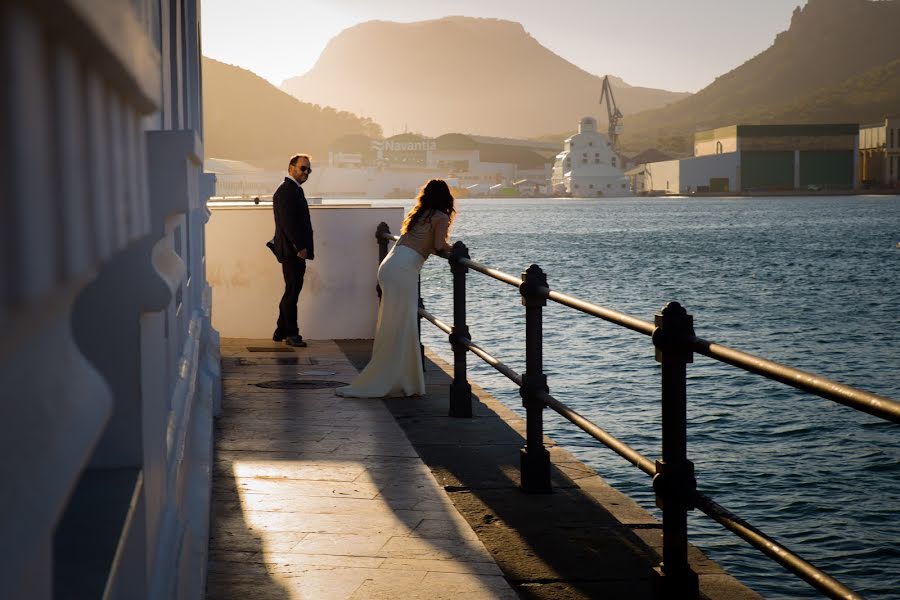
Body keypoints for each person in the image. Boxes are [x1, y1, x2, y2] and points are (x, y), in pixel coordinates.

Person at [336, 179, 455, 398]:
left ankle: (401, 378)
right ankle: (396, 380)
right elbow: (439, 246)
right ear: (446, 197)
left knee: (396, 324)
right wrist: (454, 248)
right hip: (403, 271)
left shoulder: (421, 213)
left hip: (391, 265)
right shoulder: (440, 217)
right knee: (403, 324)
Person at [271, 154, 315, 347]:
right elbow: (289, 224)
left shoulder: (292, 190)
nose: (306, 173)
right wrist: (300, 247)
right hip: (293, 251)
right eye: (302, 168)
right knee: (292, 292)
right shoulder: (287, 191)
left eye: (308, 170)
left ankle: (280, 331)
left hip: (292, 250)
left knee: (292, 290)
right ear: (291, 168)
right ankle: (291, 333)